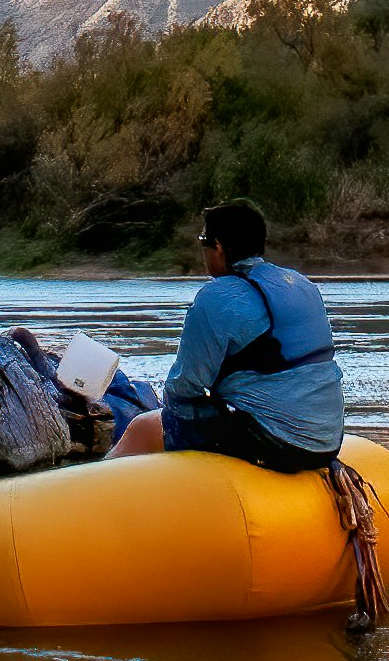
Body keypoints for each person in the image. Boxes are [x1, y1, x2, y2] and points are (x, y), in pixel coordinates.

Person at [111, 199, 341, 472]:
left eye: (203, 241)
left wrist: (171, 421)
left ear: (218, 247)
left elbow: (185, 389)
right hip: (328, 440)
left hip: (276, 444)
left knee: (145, 426)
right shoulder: (302, 284)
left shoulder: (217, 297)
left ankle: (96, 489)